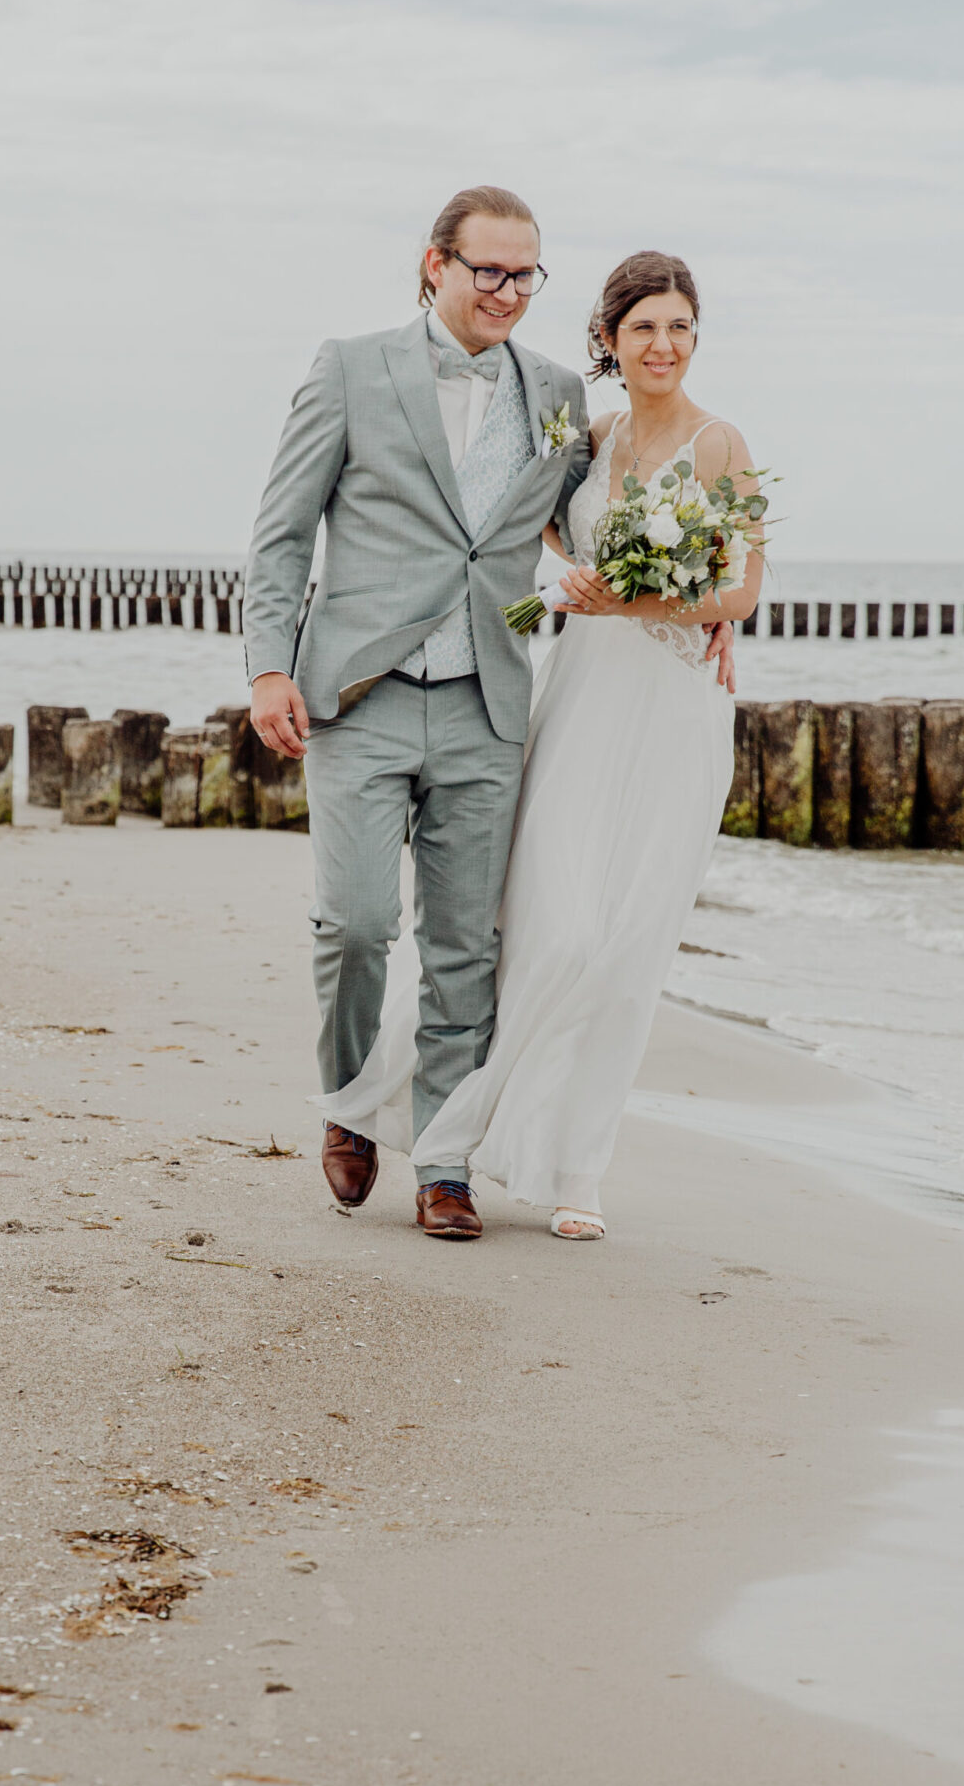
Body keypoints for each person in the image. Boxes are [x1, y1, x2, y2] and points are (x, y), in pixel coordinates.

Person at [243, 193, 735, 1238]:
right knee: (359, 921)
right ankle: (345, 1098)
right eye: (490, 272)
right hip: (360, 690)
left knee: (467, 943)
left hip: (487, 699)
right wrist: (266, 670)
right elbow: (282, 531)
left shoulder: (557, 396)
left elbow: (593, 525)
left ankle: (446, 1161)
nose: (509, 292)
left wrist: (697, 608)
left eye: (526, 276)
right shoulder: (350, 367)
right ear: (436, 265)